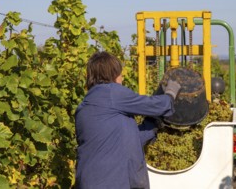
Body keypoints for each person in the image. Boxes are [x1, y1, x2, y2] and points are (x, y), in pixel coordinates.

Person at [75, 51, 181, 189]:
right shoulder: (112, 93)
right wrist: (171, 93)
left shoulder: (85, 107)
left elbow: (125, 141)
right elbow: (156, 105)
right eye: (120, 74)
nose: (122, 78)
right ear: (113, 75)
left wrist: (152, 125)